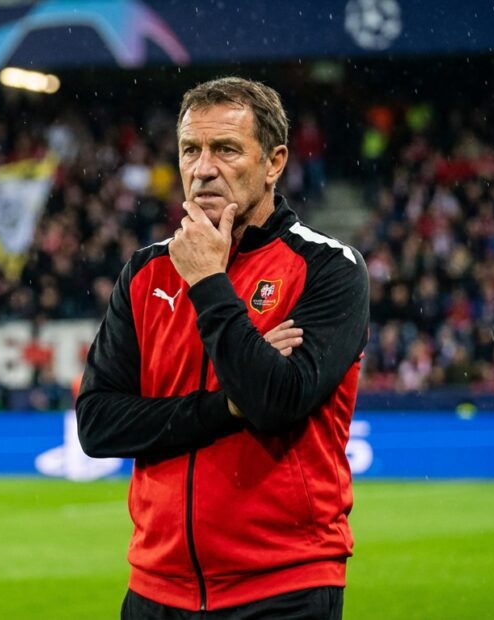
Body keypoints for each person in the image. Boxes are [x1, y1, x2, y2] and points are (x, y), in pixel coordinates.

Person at [76, 77, 369, 619]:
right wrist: (226, 406)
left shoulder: (329, 268)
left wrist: (210, 281)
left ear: (275, 162)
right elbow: (97, 424)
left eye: (226, 149)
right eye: (191, 149)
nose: (203, 168)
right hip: (155, 589)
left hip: (283, 588)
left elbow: (276, 401)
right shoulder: (146, 272)